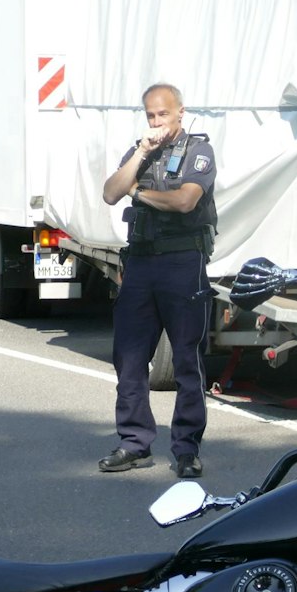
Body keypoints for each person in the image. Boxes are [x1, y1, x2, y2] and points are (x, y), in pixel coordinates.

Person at [98, 83, 216, 478]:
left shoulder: (199, 152)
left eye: (163, 114)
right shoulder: (140, 152)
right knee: (129, 357)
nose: (156, 122)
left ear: (180, 112)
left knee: (187, 358)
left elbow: (185, 201)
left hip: (184, 262)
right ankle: (134, 443)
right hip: (142, 265)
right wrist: (141, 157)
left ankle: (186, 449)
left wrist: (140, 193)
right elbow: (111, 193)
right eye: (150, 115)